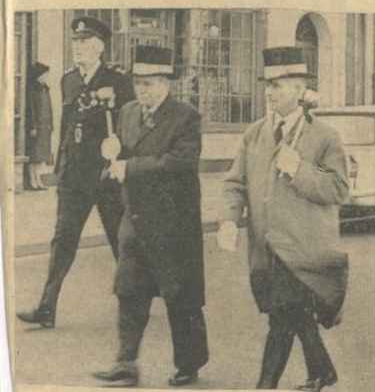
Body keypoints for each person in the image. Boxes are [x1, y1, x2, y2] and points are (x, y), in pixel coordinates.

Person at [220, 46, 349, 391]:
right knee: (294, 313)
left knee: (282, 316)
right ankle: (322, 372)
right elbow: (235, 183)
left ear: (298, 89)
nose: (270, 92)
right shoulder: (255, 133)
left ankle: (266, 385)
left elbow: (338, 189)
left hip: (302, 247)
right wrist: (230, 219)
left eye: (278, 85)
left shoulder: (324, 137)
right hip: (266, 247)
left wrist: (299, 169)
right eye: (268, 85)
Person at [91, 45, 208, 388]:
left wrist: (130, 166)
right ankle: (126, 363)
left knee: (179, 296)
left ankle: (189, 364)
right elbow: (122, 157)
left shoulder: (185, 117)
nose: (143, 89)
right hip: (136, 219)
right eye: (139, 82)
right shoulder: (127, 112)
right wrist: (112, 155)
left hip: (173, 223)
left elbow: (180, 163)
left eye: (151, 83)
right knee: (129, 290)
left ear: (167, 83)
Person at [17, 16, 135, 329]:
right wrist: (61, 167)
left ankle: (137, 296)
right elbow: (68, 126)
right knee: (63, 240)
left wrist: (121, 154)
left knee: (119, 240)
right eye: (75, 42)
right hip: (74, 178)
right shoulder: (68, 80)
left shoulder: (118, 80)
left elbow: (130, 125)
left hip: (105, 176)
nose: (77, 48)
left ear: (99, 47)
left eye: (84, 43)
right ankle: (46, 307)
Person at [24, 62, 54, 190]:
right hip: (37, 127)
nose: (46, 77)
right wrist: (33, 126)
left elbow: (49, 109)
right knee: (34, 155)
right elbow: (31, 110)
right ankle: (32, 180)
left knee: (41, 156)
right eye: (44, 75)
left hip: (45, 127)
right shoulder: (33, 89)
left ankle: (38, 180)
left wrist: (51, 125)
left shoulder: (45, 88)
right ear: (39, 76)